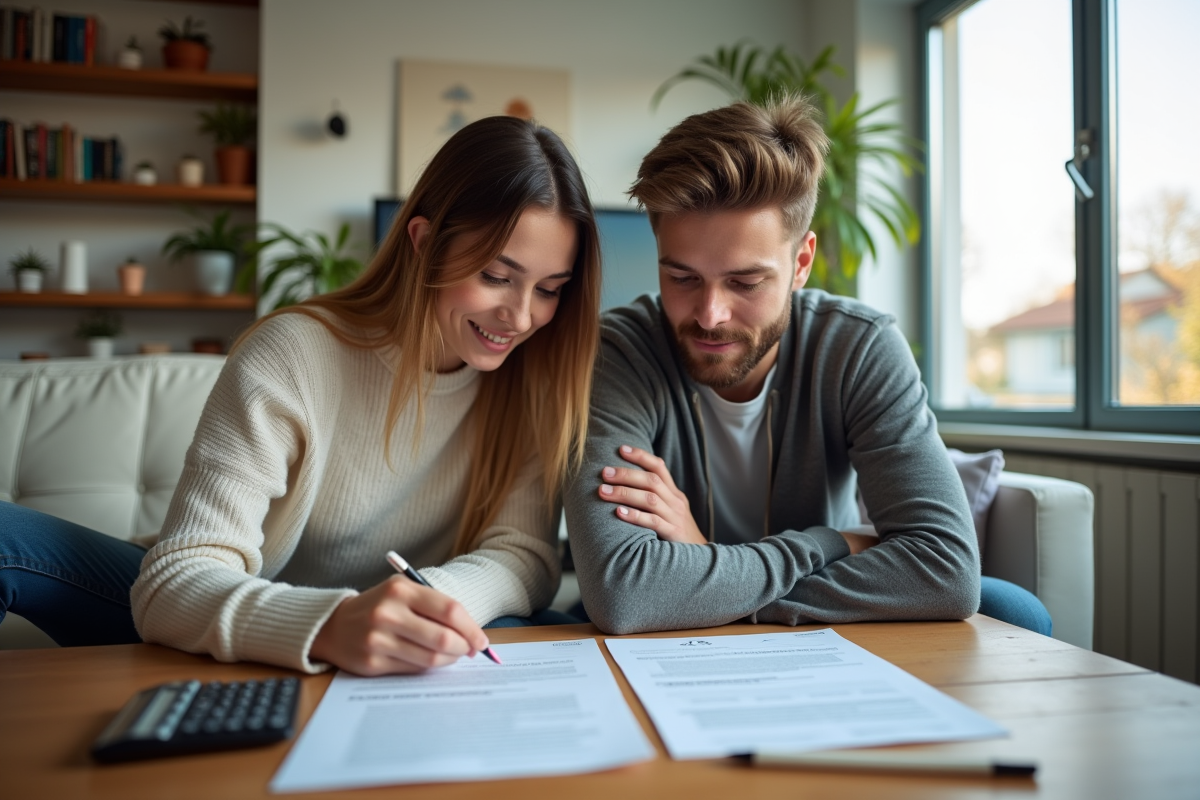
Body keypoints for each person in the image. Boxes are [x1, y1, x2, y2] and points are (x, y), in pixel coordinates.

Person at [0, 115, 602, 674]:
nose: (521, 316)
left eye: (550, 288)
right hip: (241, 602)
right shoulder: (294, 353)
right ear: (424, 242)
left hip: (394, 623)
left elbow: (523, 555)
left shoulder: (536, 376)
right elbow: (176, 581)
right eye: (496, 276)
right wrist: (333, 624)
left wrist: (421, 603)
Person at [562, 96, 1052, 637]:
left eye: (745, 282)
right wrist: (831, 543)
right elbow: (624, 593)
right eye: (682, 278)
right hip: (677, 637)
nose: (709, 314)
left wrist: (703, 567)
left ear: (801, 263)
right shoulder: (618, 352)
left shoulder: (857, 348)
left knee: (1014, 610)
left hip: (801, 628)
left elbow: (946, 570)